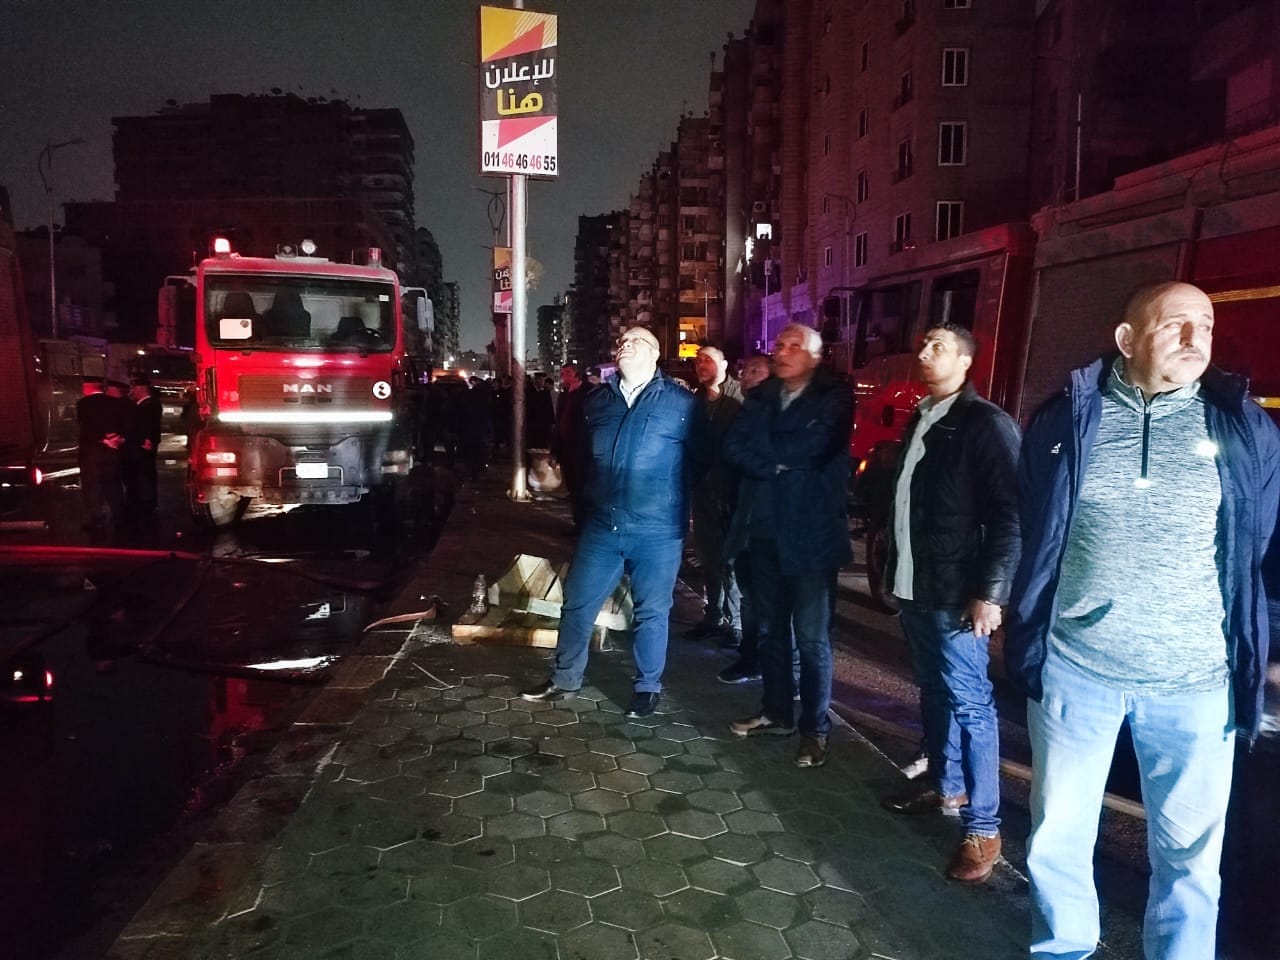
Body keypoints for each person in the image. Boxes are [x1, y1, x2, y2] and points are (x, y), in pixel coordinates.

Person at [1006, 281, 1280, 960]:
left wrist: (1263, 646)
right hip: (1078, 670)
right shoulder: (1064, 421)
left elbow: (1260, 547)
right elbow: (1032, 526)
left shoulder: (1246, 428)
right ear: (1127, 340)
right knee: (1057, 838)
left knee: (1191, 862)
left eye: (1205, 325)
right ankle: (1062, 949)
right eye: (1175, 324)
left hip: (1196, 682)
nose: (1195, 339)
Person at [878, 323, 1021, 884]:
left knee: (971, 704)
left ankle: (984, 828)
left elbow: (1011, 513)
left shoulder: (985, 423)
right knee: (934, 690)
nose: (923, 351)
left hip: (957, 592)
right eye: (922, 343)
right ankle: (947, 786)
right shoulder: (923, 417)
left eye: (938, 345)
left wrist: (991, 592)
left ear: (965, 361)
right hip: (917, 584)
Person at [522, 326, 708, 719]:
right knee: (577, 603)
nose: (624, 345)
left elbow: (702, 460)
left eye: (635, 340)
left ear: (654, 353)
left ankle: (647, 687)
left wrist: (667, 497)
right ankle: (565, 677)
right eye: (621, 341)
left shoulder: (681, 403)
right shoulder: (597, 400)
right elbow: (582, 455)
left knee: (651, 612)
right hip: (603, 526)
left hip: (657, 531)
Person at [724, 324, 852, 768]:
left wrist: (766, 450)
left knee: (813, 640)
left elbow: (814, 449)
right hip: (763, 532)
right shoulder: (761, 396)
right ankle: (776, 712)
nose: (783, 351)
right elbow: (733, 447)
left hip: (812, 537)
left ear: (815, 356)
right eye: (780, 344)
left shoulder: (834, 396)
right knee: (770, 631)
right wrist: (773, 462)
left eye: (795, 346)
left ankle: (815, 729)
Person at [718, 353, 773, 685]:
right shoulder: (746, 410)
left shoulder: (774, 412)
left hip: (765, 522)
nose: (746, 376)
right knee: (748, 594)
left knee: (768, 601)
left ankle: (774, 666)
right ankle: (751, 657)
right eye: (745, 370)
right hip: (741, 516)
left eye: (756, 371)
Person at [685, 346, 745, 644]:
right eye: (698, 360)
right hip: (703, 491)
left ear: (724, 364)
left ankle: (738, 624)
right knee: (709, 556)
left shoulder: (739, 397)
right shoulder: (694, 401)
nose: (701, 364)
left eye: (707, 359)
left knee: (732, 560)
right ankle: (713, 616)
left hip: (733, 493)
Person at [77, 379, 129, 531]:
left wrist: (102, 439)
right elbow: (124, 424)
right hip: (112, 449)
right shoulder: (115, 403)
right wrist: (116, 438)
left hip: (91, 451)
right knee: (112, 483)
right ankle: (119, 516)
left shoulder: (84, 404)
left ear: (87, 387)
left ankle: (96, 518)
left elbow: (85, 428)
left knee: (92, 485)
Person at [550, 363, 589, 531]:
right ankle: (578, 522)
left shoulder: (588, 392)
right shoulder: (565, 394)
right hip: (566, 448)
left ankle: (584, 525)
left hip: (581, 449)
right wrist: (555, 451)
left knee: (582, 488)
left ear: (576, 375)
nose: (564, 376)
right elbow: (559, 421)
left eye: (567, 373)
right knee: (573, 487)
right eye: (563, 373)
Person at [123, 374, 163, 521]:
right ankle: (146, 502)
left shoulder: (148, 405)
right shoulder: (147, 404)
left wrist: (143, 440)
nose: (132, 392)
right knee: (145, 474)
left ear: (140, 389)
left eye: (134, 388)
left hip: (143, 446)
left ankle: (146, 503)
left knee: (144, 474)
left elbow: (145, 426)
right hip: (143, 445)